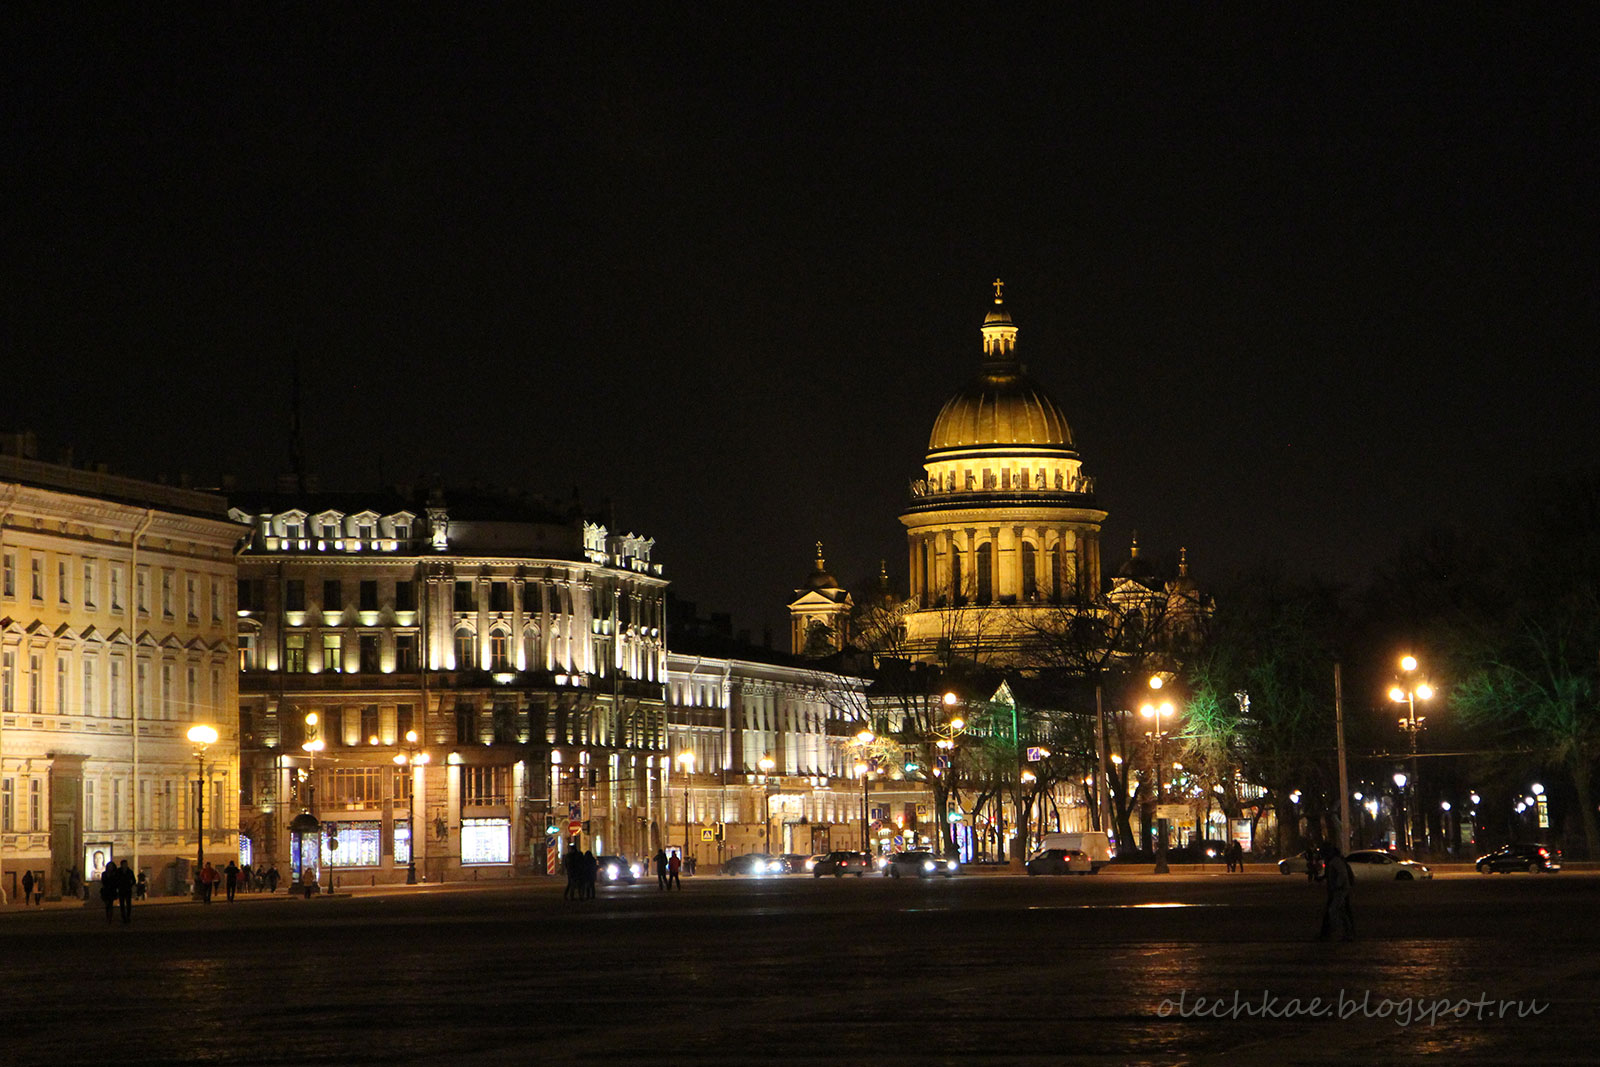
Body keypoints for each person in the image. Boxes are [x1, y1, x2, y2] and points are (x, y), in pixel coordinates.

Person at [1316, 844, 1355, 941]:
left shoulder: (1335, 861)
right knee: (1341, 911)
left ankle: (1338, 932)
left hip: (1339, 890)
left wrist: (1338, 885)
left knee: (1334, 911)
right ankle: (1347, 933)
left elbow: (1342, 875)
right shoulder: (1335, 860)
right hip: (1339, 889)